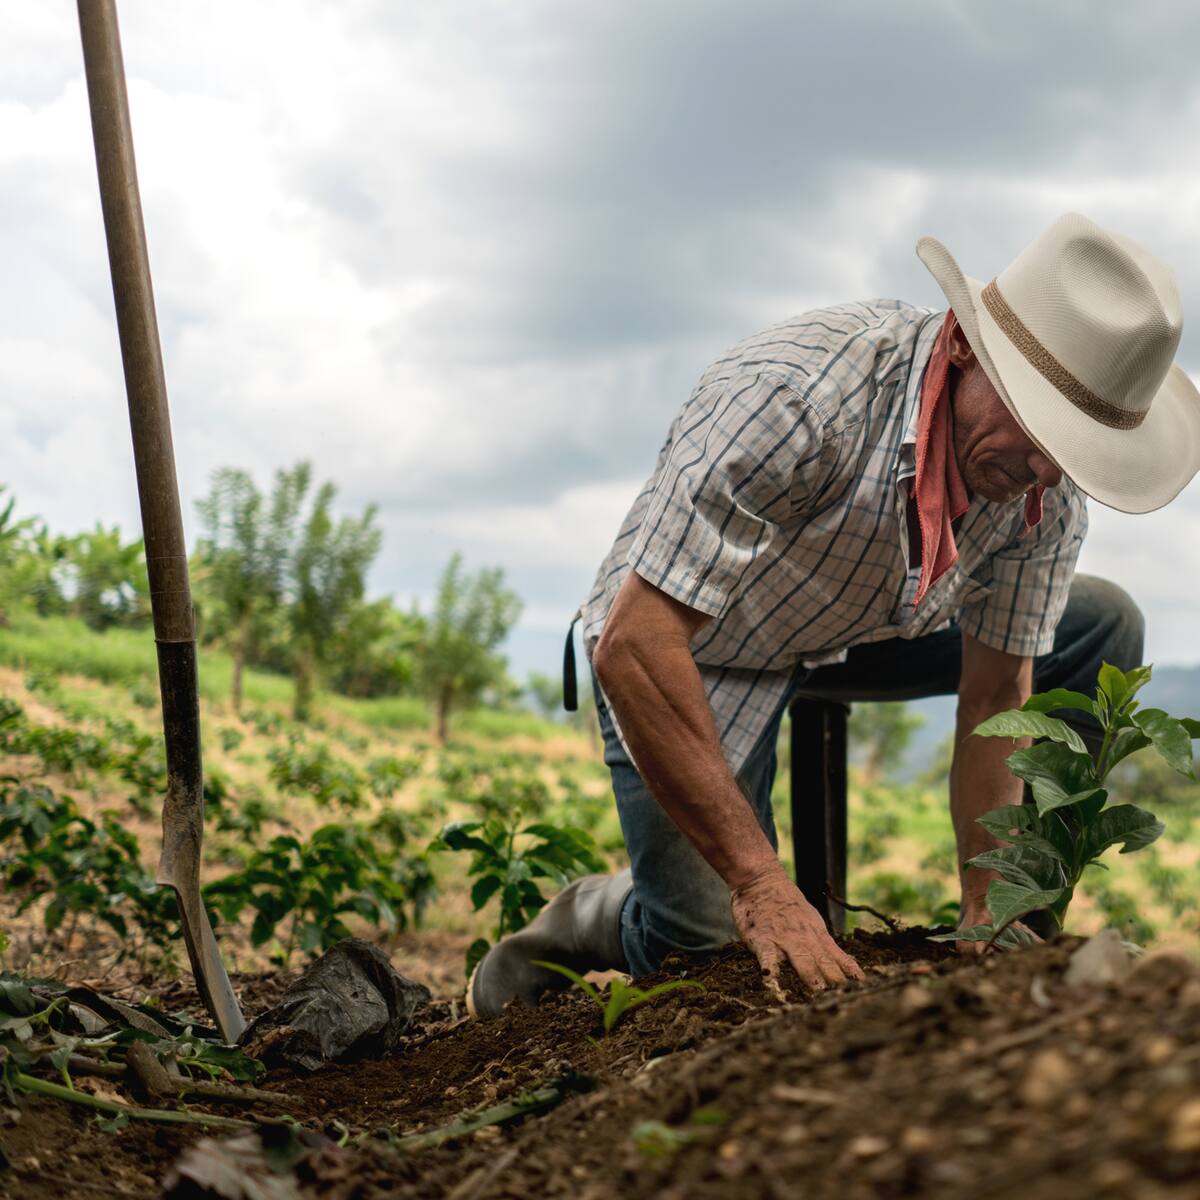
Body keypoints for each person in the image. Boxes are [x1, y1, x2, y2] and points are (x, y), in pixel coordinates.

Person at [468, 212, 1200, 1017]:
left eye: (1072, 448)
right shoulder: (798, 400)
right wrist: (760, 884)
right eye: (1037, 428)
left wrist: (989, 904)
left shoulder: (1039, 489)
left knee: (1102, 625)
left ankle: (1020, 936)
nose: (1042, 472)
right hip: (697, 643)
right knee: (707, 950)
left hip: (867, 628)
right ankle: (595, 913)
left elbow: (998, 696)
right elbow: (637, 644)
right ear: (962, 344)